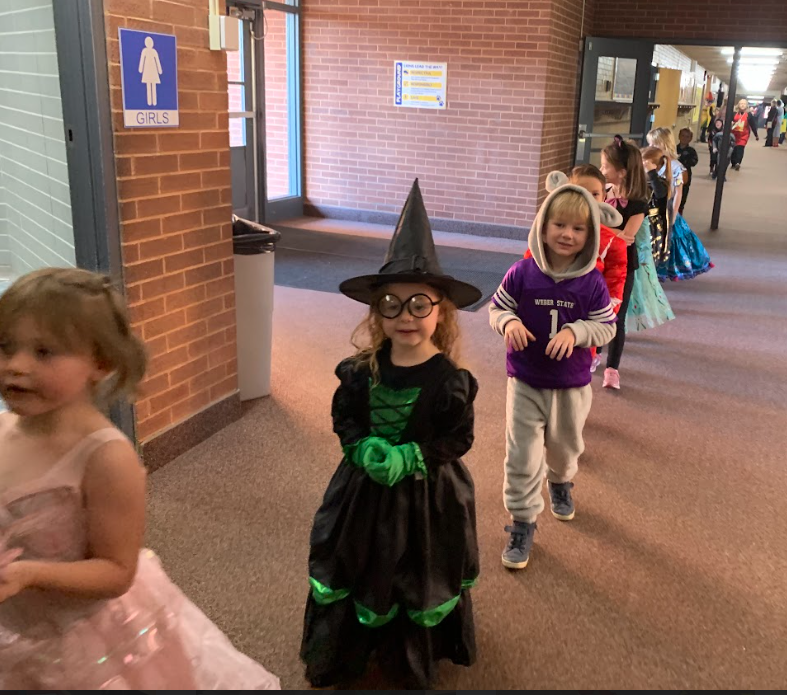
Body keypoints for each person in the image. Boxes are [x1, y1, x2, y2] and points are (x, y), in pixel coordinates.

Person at [0, 268, 280, 690]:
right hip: (15, 624)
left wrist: (29, 574)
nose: (16, 366)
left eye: (44, 352)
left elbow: (116, 571)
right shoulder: (5, 429)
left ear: (100, 361)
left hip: (87, 641)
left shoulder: (107, 457)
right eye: (5, 347)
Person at [301, 180, 481, 689]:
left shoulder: (450, 382)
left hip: (427, 498)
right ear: (376, 312)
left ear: (441, 310)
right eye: (391, 304)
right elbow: (347, 418)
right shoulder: (361, 371)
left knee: (413, 571)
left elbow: (458, 438)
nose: (406, 316)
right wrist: (362, 447)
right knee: (358, 561)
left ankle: (408, 660)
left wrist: (412, 458)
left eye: (419, 304)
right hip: (362, 493)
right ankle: (350, 651)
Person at [490, 171, 621, 570]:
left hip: (571, 386)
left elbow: (607, 324)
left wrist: (578, 331)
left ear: (591, 234)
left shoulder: (593, 283)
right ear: (542, 227)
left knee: (564, 449)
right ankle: (523, 520)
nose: (567, 234)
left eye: (578, 228)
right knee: (521, 455)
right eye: (559, 224)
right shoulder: (521, 273)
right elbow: (498, 308)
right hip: (526, 381)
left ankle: (561, 481)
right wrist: (508, 323)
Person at [522, 164, 627, 374]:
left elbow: (614, 288)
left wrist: (593, 325)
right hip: (543, 316)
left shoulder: (611, 243)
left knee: (572, 378)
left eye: (594, 194)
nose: (585, 198)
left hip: (582, 324)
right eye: (579, 191)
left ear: (604, 198)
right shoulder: (548, 234)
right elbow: (529, 270)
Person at [598, 135, 649, 390]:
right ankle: (593, 354)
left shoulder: (638, 202)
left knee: (616, 315)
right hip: (598, 261)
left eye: (605, 166)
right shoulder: (602, 193)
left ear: (621, 172)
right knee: (593, 309)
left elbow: (627, 238)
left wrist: (599, 228)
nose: (601, 170)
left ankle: (612, 368)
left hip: (624, 266)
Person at [647, 128, 713, 282]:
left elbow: (678, 193)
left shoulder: (676, 167)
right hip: (652, 209)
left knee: (669, 241)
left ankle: (665, 268)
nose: (650, 147)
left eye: (654, 144)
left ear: (664, 144)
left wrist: (674, 214)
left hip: (667, 209)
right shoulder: (651, 163)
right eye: (649, 144)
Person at [625, 146, 675, 333]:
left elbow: (661, 195)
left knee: (643, 265)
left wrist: (651, 172)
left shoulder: (659, 181)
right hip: (642, 224)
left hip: (651, 228)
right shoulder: (639, 181)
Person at [730, 98, 759, 170]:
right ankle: (733, 162)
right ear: (738, 105)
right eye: (741, 103)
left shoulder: (749, 115)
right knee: (733, 149)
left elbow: (753, 125)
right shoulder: (734, 113)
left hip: (743, 135)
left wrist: (756, 135)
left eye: (744, 104)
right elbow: (729, 122)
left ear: (746, 106)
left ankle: (738, 163)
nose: (742, 105)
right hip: (733, 135)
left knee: (740, 148)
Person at [677, 128, 699, 215]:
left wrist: (685, 162)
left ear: (690, 139)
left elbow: (694, 161)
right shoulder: (674, 148)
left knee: (683, 195)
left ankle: (679, 212)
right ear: (679, 136)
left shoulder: (691, 151)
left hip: (685, 176)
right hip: (674, 176)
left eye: (687, 137)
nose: (684, 138)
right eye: (683, 136)